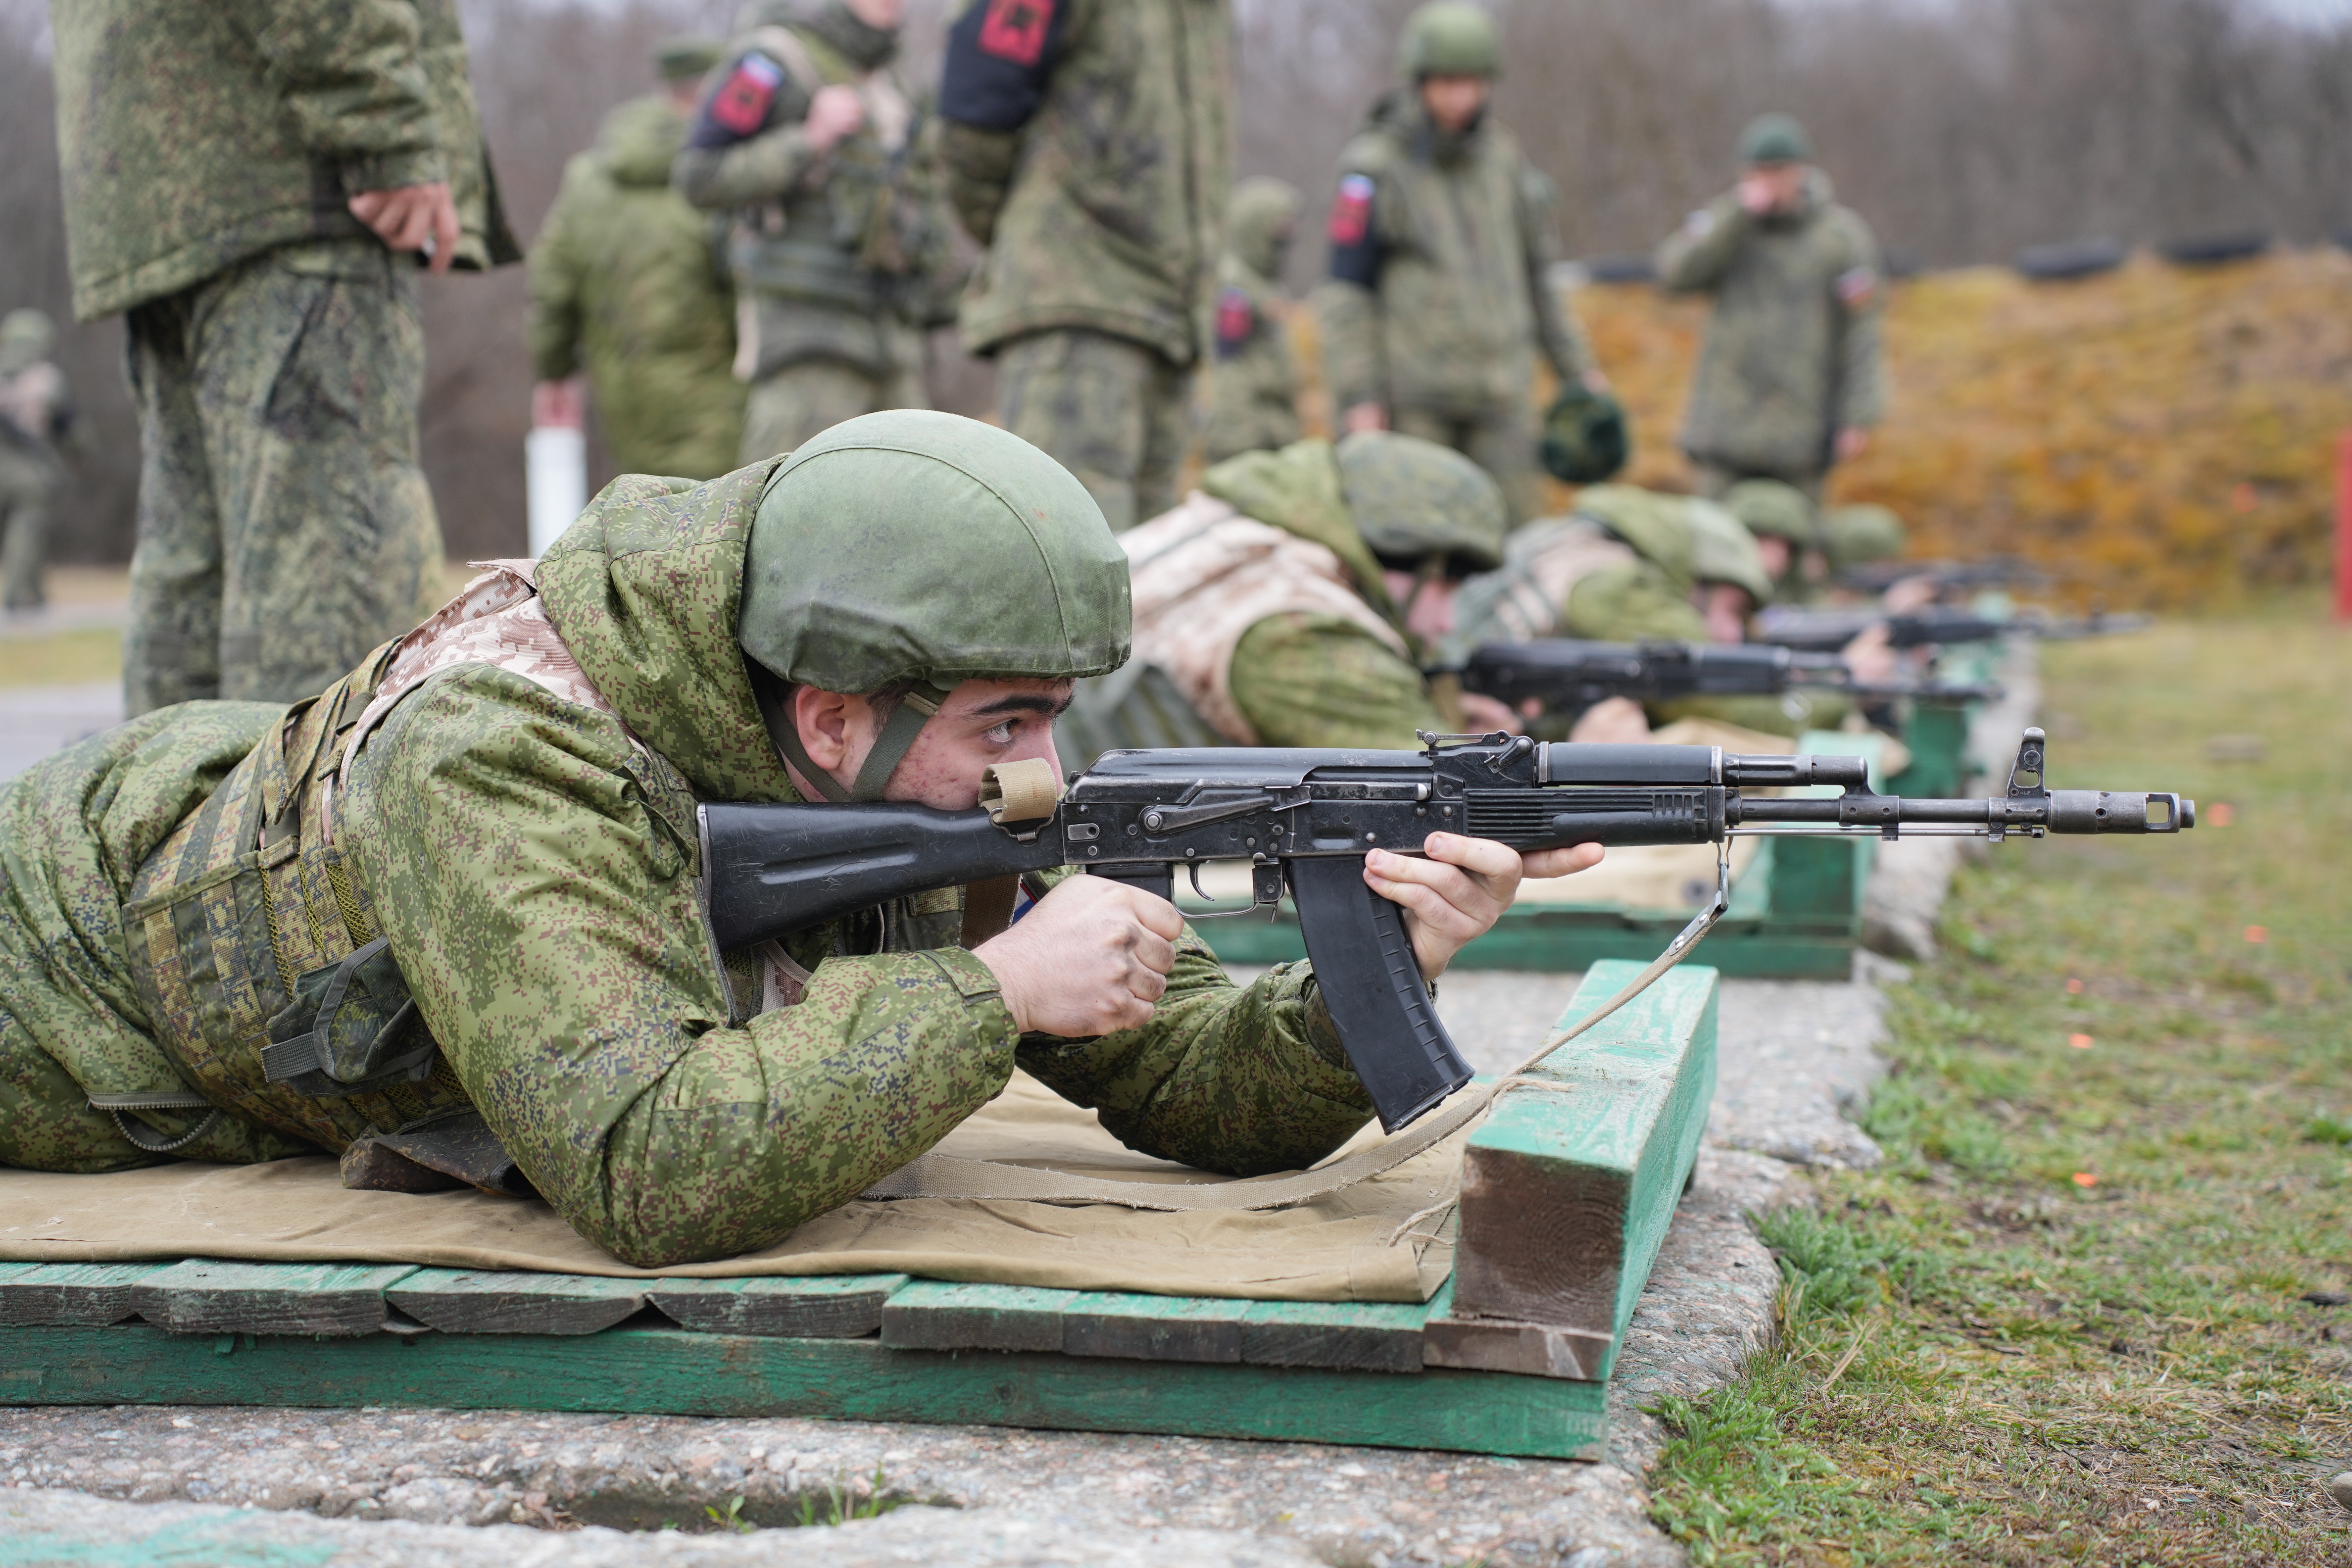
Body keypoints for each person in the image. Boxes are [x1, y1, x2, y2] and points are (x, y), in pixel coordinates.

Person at [0, 412, 1596, 1269]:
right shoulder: (502, 759)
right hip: (62, 989)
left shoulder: (899, 768)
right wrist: (994, 993)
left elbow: (1191, 1083)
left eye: (1053, 717)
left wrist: (1377, 966)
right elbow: (645, 1169)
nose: (1042, 774)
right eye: (1007, 723)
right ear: (833, 719)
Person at [51, 0, 519, 717]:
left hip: (159, 184)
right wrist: (385, 134)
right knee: (328, 573)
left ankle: (169, 792)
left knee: (194, 577)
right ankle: (307, 796)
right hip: (289, 180)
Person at [936, 0, 1232, 532]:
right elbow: (979, 108)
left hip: (1170, 318)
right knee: (1066, 546)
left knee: (1153, 567)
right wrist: (1033, 232)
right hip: (1076, 305)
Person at [1063, 432, 1523, 765]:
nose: (1446, 622)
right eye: (1446, 587)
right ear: (1390, 555)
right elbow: (1448, 796)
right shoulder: (1304, 635)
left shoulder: (1238, 530)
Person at [1314, 1, 1603, 526]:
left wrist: (1578, 372)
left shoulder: (1504, 161)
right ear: (1420, 83)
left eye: (1471, 83)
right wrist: (1361, 397)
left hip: (1503, 398)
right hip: (1417, 402)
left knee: (1518, 539)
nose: (1458, 98)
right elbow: (1347, 291)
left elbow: (1539, 276)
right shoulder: (1376, 168)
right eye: (1445, 83)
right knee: (1416, 542)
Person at [674, 0, 961, 464]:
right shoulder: (773, 61)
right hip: (806, 346)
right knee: (791, 498)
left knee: (918, 497)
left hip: (894, 345)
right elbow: (699, 175)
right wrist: (808, 139)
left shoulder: (889, 82)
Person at [528, 38, 747, 480]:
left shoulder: (587, 180)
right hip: (724, 407)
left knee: (649, 509)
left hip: (627, 404)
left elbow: (552, 285)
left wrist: (555, 374)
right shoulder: (721, 175)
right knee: (725, 513)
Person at [1655, 113, 1884, 505]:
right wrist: (1736, 218)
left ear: (1801, 172)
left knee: (1794, 536)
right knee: (1715, 537)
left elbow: (1861, 331)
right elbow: (1674, 275)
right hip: (1725, 429)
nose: (1767, 182)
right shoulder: (1725, 224)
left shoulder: (1840, 239)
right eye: (1757, 172)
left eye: (1777, 171)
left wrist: (1858, 415)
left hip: (1801, 432)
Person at [1201, 179, 1305, 465]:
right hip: (1244, 435)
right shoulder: (1234, 288)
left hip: (1273, 427)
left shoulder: (1264, 285)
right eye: (1276, 236)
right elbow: (1228, 367)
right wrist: (1241, 436)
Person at [0, 310, 79, 613]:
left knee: (27, 530)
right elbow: (68, 426)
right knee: (28, 530)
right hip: (28, 471)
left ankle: (32, 592)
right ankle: (16, 593)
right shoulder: (46, 378)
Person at [1719, 477, 1822, 605]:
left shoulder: (1806, 599)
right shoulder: (1713, 595)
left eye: (1785, 546)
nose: (1774, 556)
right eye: (1763, 539)